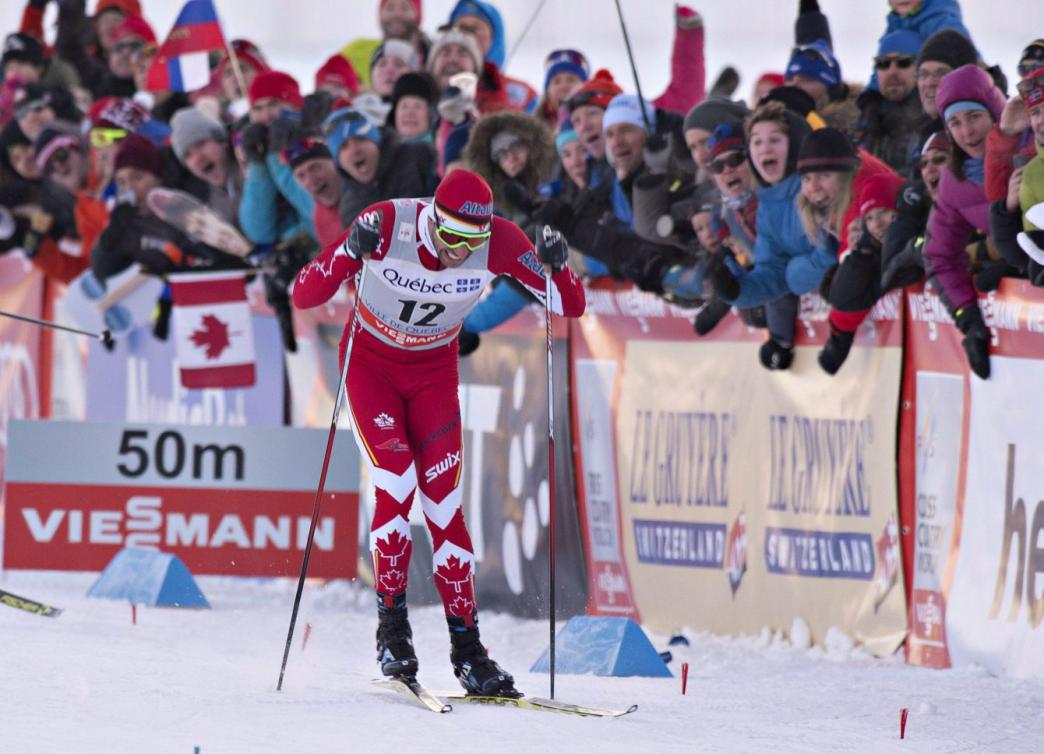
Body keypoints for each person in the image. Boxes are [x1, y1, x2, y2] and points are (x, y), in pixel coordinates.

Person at [291, 169, 584, 696]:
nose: (459, 252)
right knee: (397, 483)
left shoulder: (497, 239)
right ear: (432, 220)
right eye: (450, 238)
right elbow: (305, 292)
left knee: (445, 505)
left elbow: (567, 305)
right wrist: (348, 255)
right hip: (370, 369)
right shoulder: (386, 223)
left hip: (432, 375)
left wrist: (559, 269)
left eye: (472, 243)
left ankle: (469, 650)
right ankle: (393, 630)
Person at [924, 64, 1006, 380]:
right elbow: (940, 256)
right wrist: (968, 318)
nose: (966, 132)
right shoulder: (954, 183)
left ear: (995, 113)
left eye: (974, 117)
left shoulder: (1030, 152)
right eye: (955, 123)